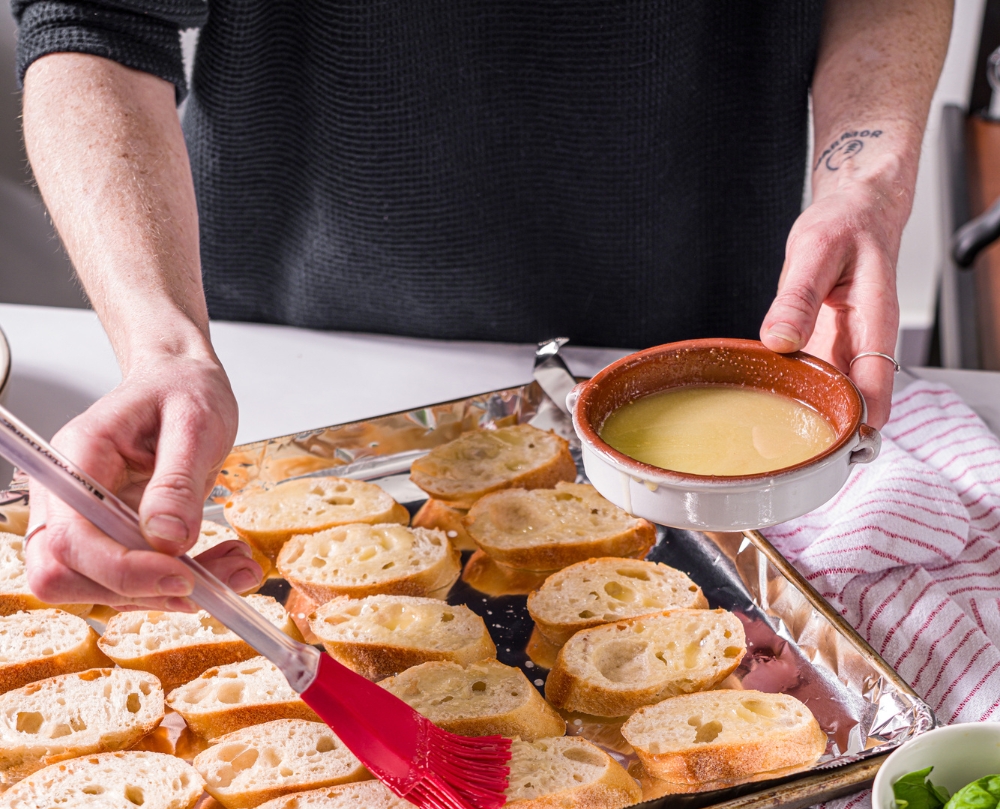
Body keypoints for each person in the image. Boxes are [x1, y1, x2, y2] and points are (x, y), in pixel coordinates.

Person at [10, 0, 953, 611]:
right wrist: (163, 345)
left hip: (705, 335)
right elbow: (98, 18)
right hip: (281, 339)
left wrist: (863, 183)